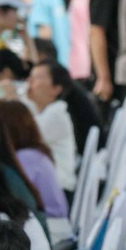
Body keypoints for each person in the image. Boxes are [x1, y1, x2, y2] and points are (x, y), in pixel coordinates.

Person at [0, 100, 70, 220]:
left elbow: (10, 198)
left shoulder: (26, 158)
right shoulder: (32, 152)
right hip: (51, 221)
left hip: (51, 224)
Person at [26, 60, 79, 194]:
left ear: (56, 89)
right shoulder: (42, 111)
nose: (30, 82)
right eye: (30, 77)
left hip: (58, 190)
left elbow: (21, 140)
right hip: (50, 187)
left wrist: (13, 100)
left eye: (37, 78)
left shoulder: (56, 114)